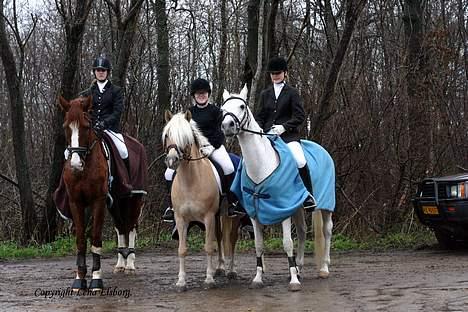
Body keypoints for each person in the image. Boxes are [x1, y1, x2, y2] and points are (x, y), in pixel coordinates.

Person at [162, 78, 243, 222]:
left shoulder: (217, 111)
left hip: (214, 147)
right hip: (193, 151)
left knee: (229, 167)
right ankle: (172, 207)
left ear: (208, 94)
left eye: (204, 93)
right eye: (198, 94)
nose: (201, 95)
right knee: (168, 173)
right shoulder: (188, 114)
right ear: (194, 96)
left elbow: (220, 132)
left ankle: (232, 203)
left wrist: (212, 148)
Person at [256, 56, 316, 210]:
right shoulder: (265, 94)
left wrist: (284, 127)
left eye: (278, 73)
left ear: (285, 73)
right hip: (269, 137)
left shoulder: (292, 93)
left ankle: (308, 195)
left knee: (299, 160)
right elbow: (261, 116)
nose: (275, 76)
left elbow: (300, 116)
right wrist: (261, 129)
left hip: (288, 136)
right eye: (273, 73)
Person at [76, 56, 131, 190]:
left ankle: (125, 182)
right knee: (69, 152)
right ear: (94, 72)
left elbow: (117, 112)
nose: (101, 72)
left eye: (103, 70)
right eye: (98, 70)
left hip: (110, 130)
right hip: (90, 130)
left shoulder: (116, 91)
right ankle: (67, 188)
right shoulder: (86, 93)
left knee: (123, 151)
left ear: (107, 72)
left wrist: (104, 123)